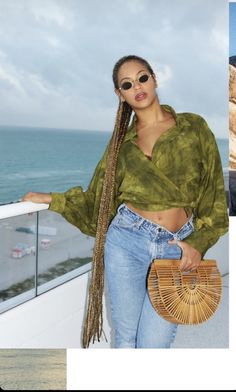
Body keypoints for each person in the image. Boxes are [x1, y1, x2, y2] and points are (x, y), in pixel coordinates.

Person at [22, 55, 229, 349]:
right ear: (121, 95)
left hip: (175, 246)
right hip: (126, 241)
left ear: (154, 79)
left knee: (153, 344)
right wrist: (51, 199)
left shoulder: (192, 128)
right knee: (125, 339)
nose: (137, 86)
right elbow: (97, 197)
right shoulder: (122, 144)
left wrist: (199, 242)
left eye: (142, 77)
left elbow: (213, 193)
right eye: (127, 84)